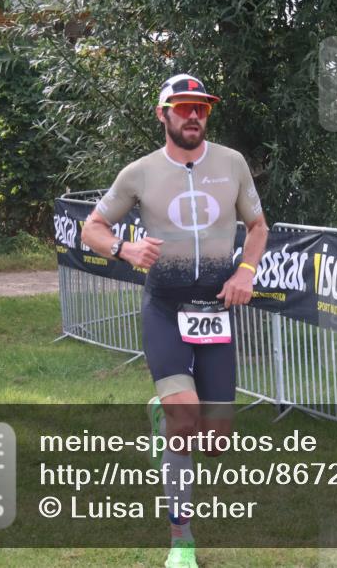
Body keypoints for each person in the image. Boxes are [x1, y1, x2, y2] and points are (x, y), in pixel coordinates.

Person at [81, 73, 268, 568]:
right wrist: (124, 249)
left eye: (201, 108)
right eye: (183, 108)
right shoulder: (140, 173)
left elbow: (257, 226)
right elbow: (91, 228)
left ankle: (164, 417)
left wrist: (246, 271)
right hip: (165, 309)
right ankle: (181, 540)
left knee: (215, 443)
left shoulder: (232, 164)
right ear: (162, 114)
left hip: (216, 311)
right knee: (185, 419)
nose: (193, 116)